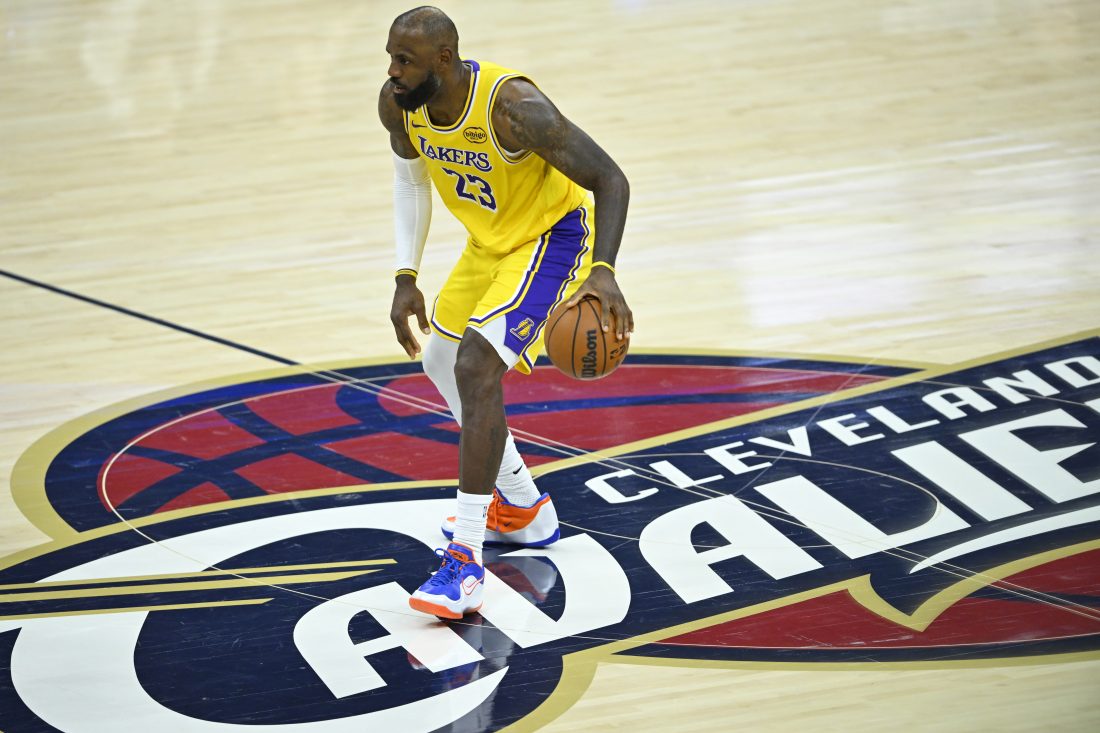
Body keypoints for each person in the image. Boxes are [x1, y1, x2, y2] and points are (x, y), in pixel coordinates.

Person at [379, 6, 632, 619]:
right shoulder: (400, 104)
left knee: (474, 367)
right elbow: (411, 183)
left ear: (444, 60)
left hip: (552, 239)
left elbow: (610, 179)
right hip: (489, 244)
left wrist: (603, 271)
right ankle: (521, 505)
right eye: (390, 57)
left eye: (404, 60)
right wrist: (406, 274)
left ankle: (466, 562)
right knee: (440, 360)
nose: (392, 71)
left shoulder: (514, 108)